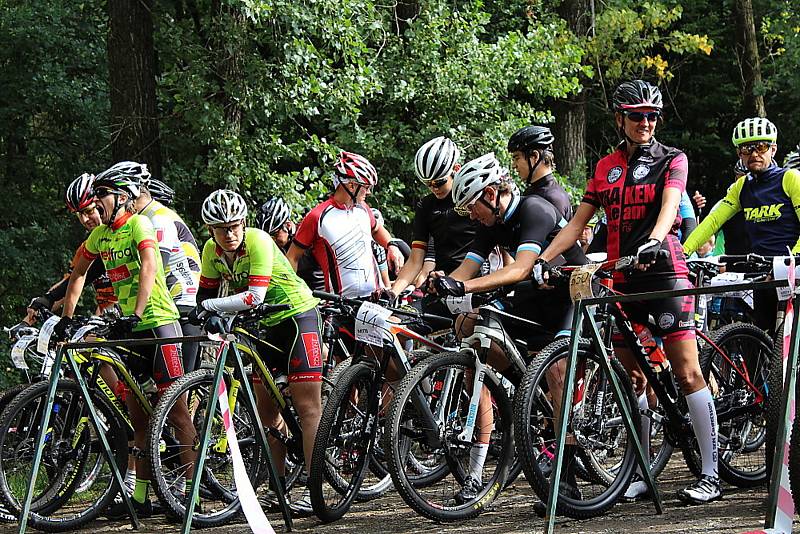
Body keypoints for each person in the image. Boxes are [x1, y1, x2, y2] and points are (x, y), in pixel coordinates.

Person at [534, 79, 721, 505]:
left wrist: (655, 240)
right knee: (633, 378)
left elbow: (671, 206)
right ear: (620, 118)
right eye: (637, 115)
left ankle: (710, 474)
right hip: (622, 282)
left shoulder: (672, 158)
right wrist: (544, 262)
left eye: (652, 115)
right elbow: (576, 225)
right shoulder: (605, 168)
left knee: (687, 372)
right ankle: (640, 469)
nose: (646, 122)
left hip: (665, 275)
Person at [429, 152, 586, 503]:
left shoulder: (534, 209)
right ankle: (529, 397)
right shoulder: (490, 224)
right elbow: (467, 269)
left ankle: (568, 473)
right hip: (535, 293)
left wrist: (464, 288)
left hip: (570, 294)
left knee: (557, 371)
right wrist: (443, 283)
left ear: (490, 194)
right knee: (471, 328)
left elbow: (518, 269)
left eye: (473, 207)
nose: (471, 216)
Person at [54, 164, 195, 518]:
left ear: (121, 198)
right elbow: (77, 276)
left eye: (101, 195)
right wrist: (66, 320)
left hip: (159, 322)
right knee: (139, 416)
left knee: (176, 412)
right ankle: (141, 498)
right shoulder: (100, 236)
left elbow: (149, 267)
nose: (96, 203)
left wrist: (137, 310)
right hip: (129, 329)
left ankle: (191, 494)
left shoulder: (139, 224)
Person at [193, 189, 322, 515]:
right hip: (263, 329)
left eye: (235, 225)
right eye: (222, 228)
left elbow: (254, 297)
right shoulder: (211, 251)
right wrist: (205, 312)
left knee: (307, 407)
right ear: (211, 230)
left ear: (244, 223)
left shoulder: (260, 241)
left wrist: (210, 307)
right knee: (266, 414)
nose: (230, 233)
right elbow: (202, 298)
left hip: (297, 317)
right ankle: (276, 488)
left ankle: (314, 487)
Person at [684, 117, 800, 333]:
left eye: (761, 146)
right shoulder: (741, 187)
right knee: (761, 340)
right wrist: (683, 252)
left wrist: (789, 261)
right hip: (763, 274)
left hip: (793, 269)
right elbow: (713, 221)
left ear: (773, 149)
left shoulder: (790, 178)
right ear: (739, 153)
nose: (754, 153)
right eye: (747, 149)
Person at [287, 151, 401, 298]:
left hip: (375, 299)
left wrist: (391, 245)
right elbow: (292, 257)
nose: (368, 192)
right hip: (340, 304)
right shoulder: (318, 216)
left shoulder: (363, 208)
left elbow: (378, 229)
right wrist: (295, 294)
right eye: (366, 187)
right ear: (352, 185)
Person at [390, 136, 478, 310]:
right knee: (395, 324)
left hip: (474, 284)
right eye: (427, 183)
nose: (434, 188)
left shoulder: (474, 199)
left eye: (439, 182)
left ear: (456, 169)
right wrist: (392, 293)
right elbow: (415, 261)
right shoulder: (426, 205)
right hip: (441, 284)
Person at [256, 196, 325, 291]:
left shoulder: (306, 237)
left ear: (288, 225)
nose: (272, 241)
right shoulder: (275, 246)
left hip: (320, 295)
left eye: (275, 235)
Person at [507, 125, 572, 220]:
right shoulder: (535, 191)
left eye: (517, 158)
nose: (513, 165)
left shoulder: (552, 199)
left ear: (534, 156)